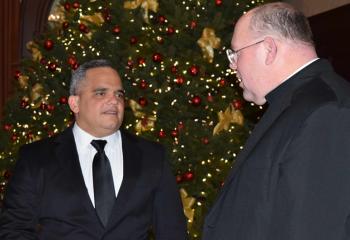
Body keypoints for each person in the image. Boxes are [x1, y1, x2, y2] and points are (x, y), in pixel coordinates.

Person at [202, 2, 350, 240]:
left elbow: (313, 230)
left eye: (235, 54)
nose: (232, 66)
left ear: (269, 49)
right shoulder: (299, 104)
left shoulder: (326, 111)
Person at [0, 59, 188, 239]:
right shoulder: (37, 157)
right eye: (101, 93)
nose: (114, 101)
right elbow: (15, 229)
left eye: (119, 94)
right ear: (75, 103)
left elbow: (172, 231)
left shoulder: (152, 157)